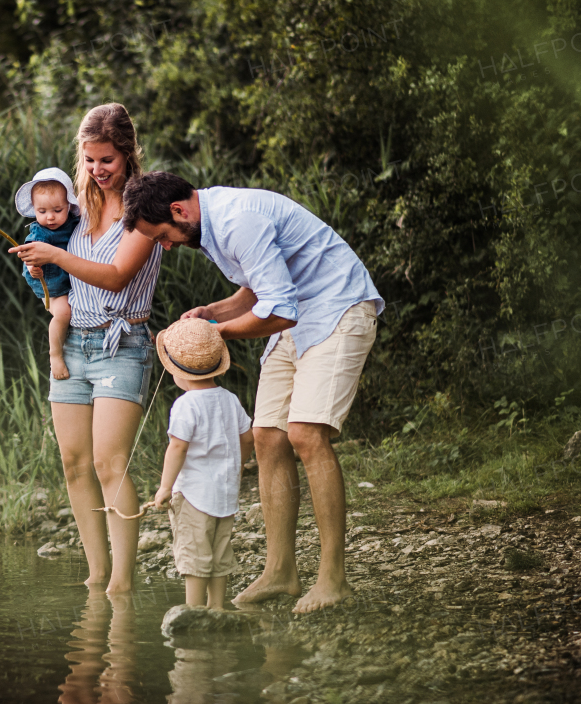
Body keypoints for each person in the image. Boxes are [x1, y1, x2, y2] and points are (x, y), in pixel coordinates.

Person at [122, 171, 384, 613]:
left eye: (162, 236)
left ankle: (332, 578)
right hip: (299, 316)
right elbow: (258, 289)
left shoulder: (238, 219)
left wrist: (216, 332)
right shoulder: (206, 227)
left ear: (178, 211)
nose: (164, 246)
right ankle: (281, 571)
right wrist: (211, 311)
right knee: (267, 435)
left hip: (338, 307)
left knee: (304, 433)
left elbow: (278, 310)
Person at [9, 103, 162, 594]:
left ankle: (122, 581)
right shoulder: (79, 209)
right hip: (73, 345)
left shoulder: (144, 209)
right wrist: (42, 272)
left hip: (123, 342)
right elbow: (61, 281)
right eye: (90, 160)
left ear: (128, 154)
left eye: (107, 161)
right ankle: (97, 576)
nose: (98, 171)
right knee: (74, 464)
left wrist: (56, 255)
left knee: (108, 463)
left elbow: (116, 280)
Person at [151, 318, 254, 610]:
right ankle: (218, 608)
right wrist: (238, 466)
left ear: (176, 371)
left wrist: (164, 488)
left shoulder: (185, 405)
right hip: (225, 495)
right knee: (220, 552)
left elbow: (178, 447)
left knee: (195, 555)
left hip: (194, 496)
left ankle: (194, 611)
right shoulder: (230, 399)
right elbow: (248, 438)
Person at [14, 167, 81, 380]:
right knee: (63, 313)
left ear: (69, 206)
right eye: (42, 212)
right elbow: (29, 256)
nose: (50, 217)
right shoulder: (39, 233)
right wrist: (33, 268)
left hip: (73, 280)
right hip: (52, 284)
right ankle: (55, 355)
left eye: (57, 210)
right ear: (34, 209)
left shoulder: (74, 222)